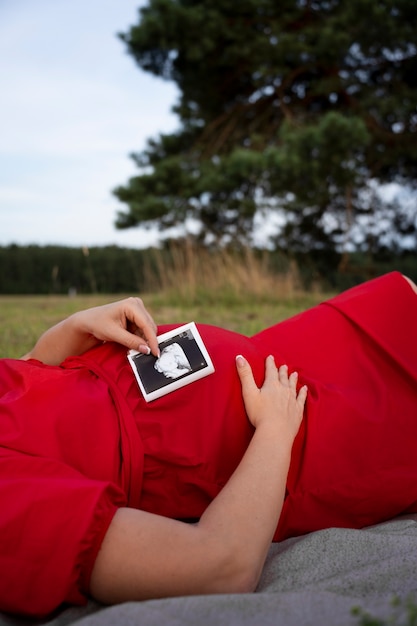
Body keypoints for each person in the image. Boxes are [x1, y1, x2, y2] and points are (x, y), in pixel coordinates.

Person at [1, 271, 417, 618]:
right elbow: (218, 566)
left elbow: (23, 390)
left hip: (267, 356)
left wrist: (73, 328)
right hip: (286, 435)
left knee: (398, 303)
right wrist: (275, 432)